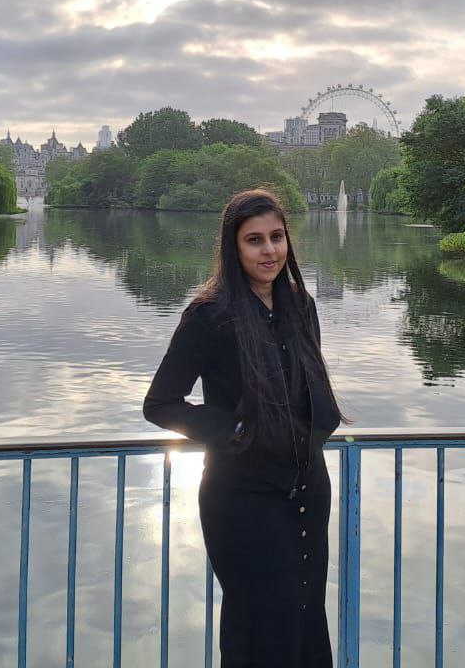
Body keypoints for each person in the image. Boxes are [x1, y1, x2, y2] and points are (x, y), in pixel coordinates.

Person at [143, 188, 348, 667]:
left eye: (277, 237)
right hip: (242, 497)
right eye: (254, 240)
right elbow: (160, 403)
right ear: (233, 247)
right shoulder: (209, 316)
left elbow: (310, 383)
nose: (269, 250)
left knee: (304, 615)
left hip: (307, 487)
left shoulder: (301, 306)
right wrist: (232, 429)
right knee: (261, 620)